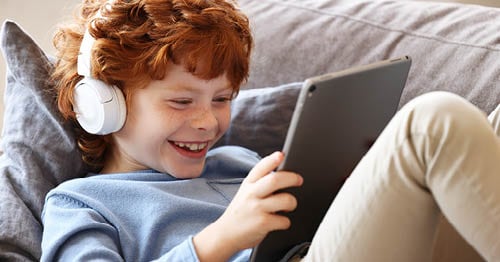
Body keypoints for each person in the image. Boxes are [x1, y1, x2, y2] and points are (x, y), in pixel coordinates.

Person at [41, 0, 500, 261]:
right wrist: (220, 239)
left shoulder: (240, 163)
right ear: (104, 105)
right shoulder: (82, 203)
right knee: (434, 123)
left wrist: (361, 186)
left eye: (221, 100)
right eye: (181, 101)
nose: (206, 122)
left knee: (488, 126)